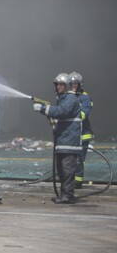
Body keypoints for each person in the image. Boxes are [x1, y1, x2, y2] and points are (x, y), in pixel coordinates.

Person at [33, 72, 82, 204]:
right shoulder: (63, 100)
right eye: (57, 84)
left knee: (67, 170)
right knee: (61, 170)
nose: (57, 87)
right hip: (63, 142)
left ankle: (67, 195)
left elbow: (62, 112)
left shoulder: (71, 99)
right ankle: (64, 194)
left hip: (69, 143)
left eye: (60, 84)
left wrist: (43, 109)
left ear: (66, 86)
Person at [69, 72, 93, 189]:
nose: (74, 85)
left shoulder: (85, 97)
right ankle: (71, 179)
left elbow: (83, 113)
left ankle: (78, 182)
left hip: (83, 134)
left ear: (80, 84)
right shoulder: (69, 96)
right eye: (72, 83)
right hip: (73, 133)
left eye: (76, 83)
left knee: (79, 158)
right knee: (71, 158)